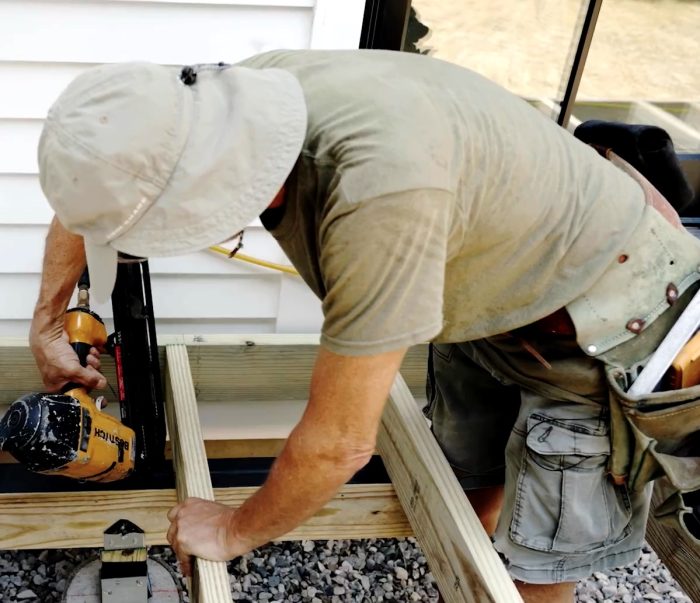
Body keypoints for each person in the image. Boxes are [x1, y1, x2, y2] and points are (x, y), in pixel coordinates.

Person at [31, 50, 700, 603]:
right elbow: (94, 199)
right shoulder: (225, 109)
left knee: (543, 554)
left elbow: (338, 444)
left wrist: (234, 528)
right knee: (471, 469)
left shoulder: (379, 199)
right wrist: (47, 321)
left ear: (209, 198)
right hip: (492, 277)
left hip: (607, 317)